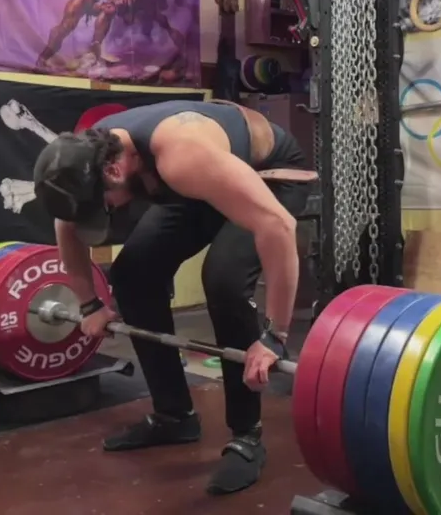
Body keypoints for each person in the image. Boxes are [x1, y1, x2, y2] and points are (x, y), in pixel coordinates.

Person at [33, 99, 310, 495]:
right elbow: (68, 227)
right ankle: (175, 416)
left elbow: (277, 225)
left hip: (270, 175)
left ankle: (246, 436)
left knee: (225, 282)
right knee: (132, 275)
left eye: (105, 205)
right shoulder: (81, 161)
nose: (108, 213)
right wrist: (90, 304)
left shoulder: (182, 156)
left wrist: (275, 335)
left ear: (115, 171)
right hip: (204, 178)